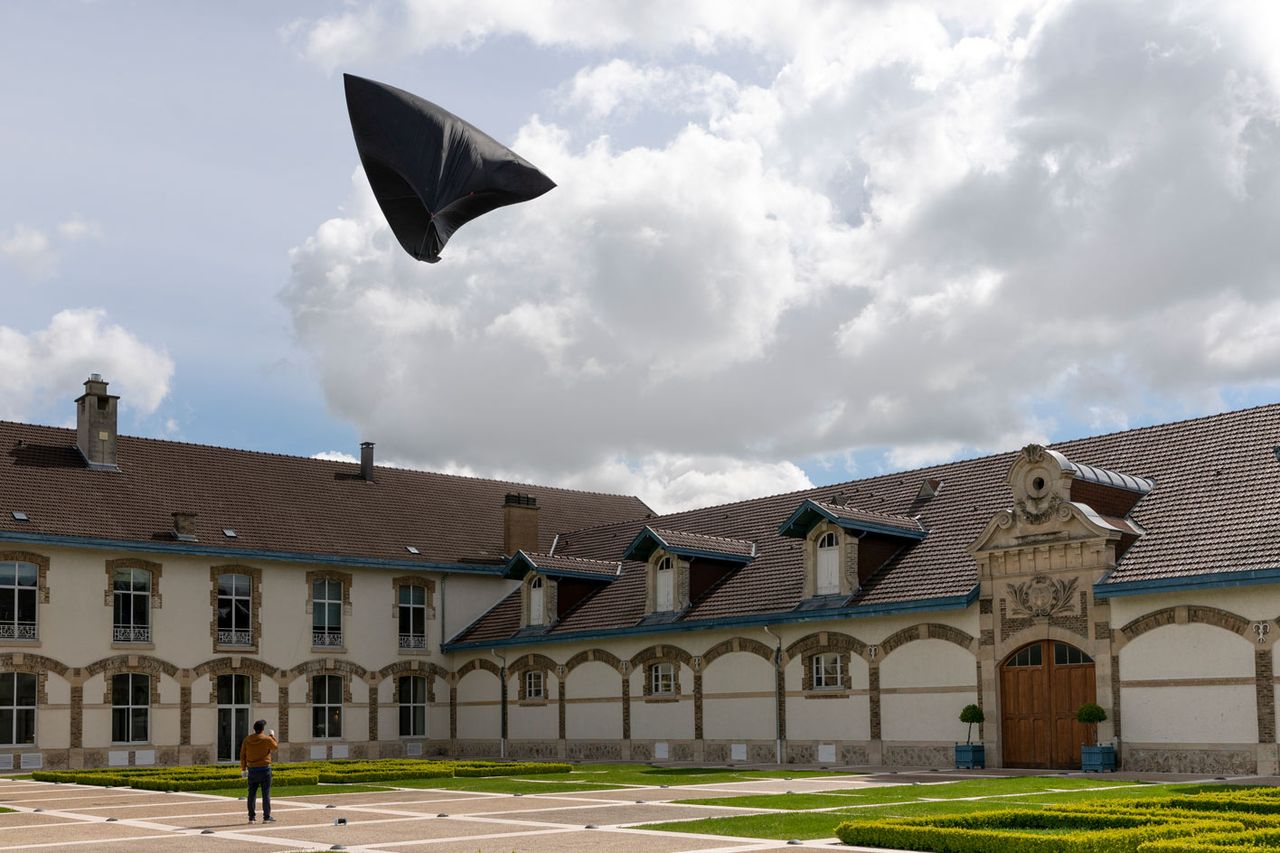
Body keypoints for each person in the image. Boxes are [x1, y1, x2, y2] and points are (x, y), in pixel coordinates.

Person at [239, 719, 278, 823]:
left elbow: (242, 755)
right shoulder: (266, 739)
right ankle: (266, 817)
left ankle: (251, 817)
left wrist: (243, 769)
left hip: (252, 769)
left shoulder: (247, 739)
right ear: (263, 729)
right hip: (265, 769)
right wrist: (272, 736)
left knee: (251, 794)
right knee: (266, 794)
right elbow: (275, 746)